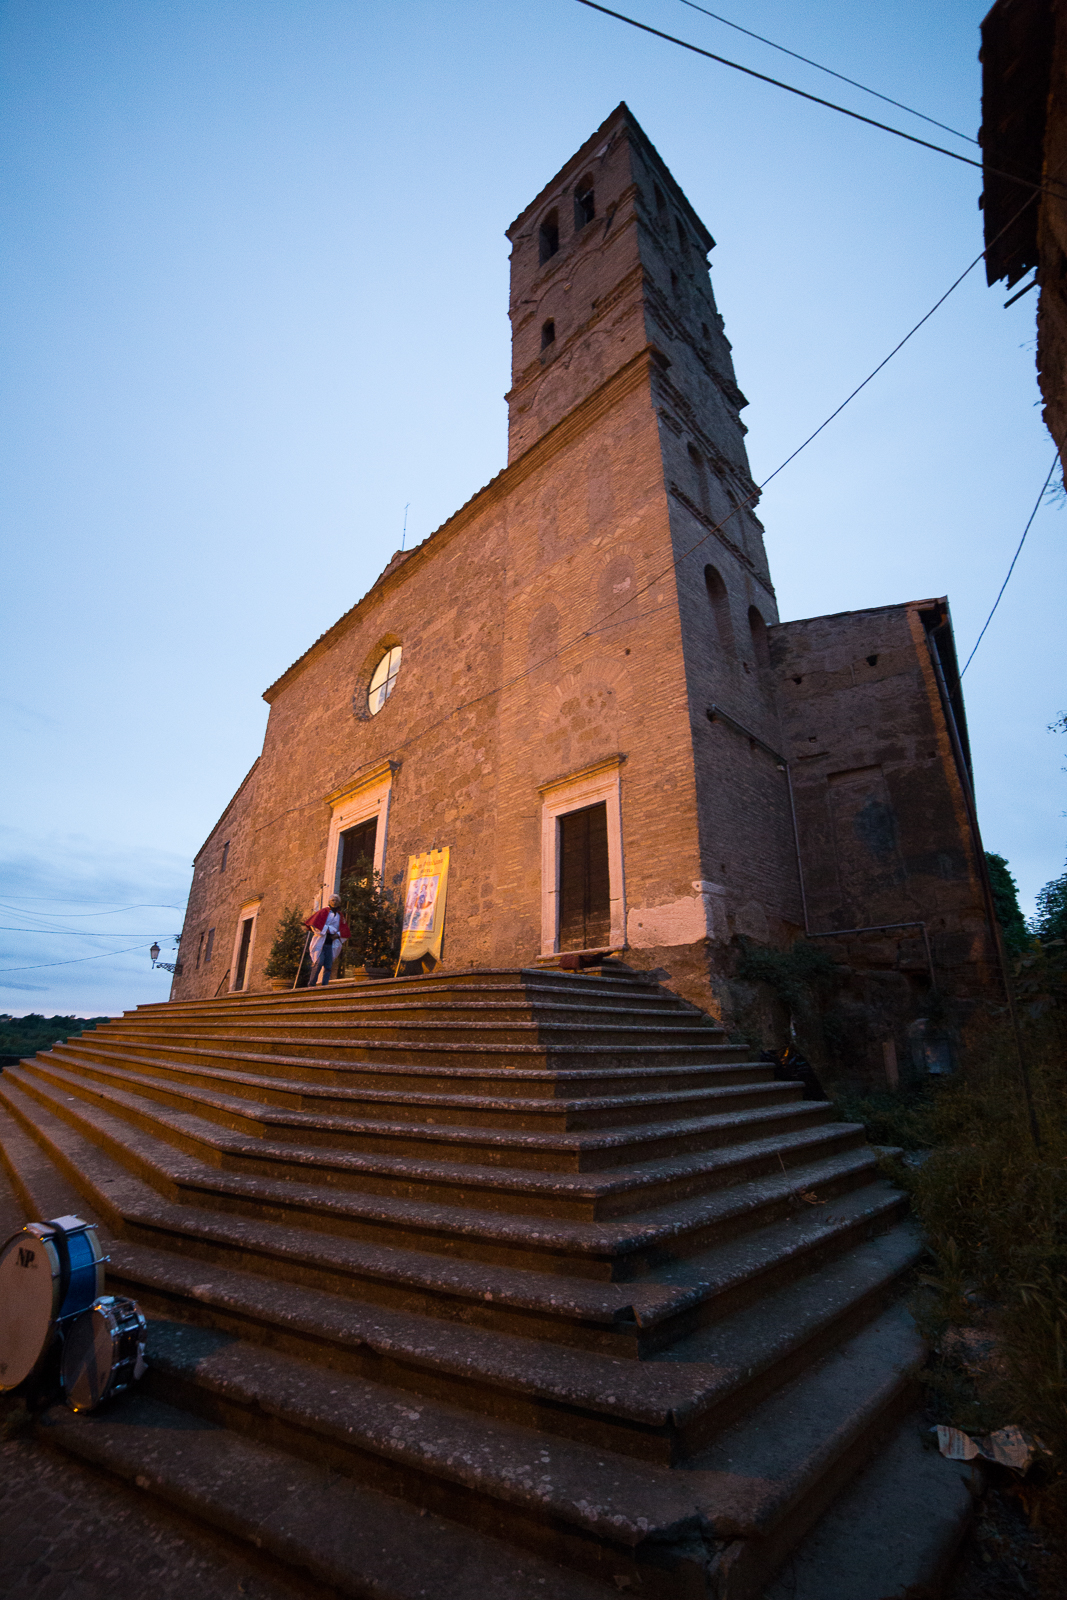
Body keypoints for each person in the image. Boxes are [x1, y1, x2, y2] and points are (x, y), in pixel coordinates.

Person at [303, 896, 350, 987]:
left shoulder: (340, 915)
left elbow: (343, 929)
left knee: (328, 966)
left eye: (337, 900)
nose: (335, 902)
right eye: (333, 900)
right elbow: (314, 924)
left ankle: (325, 985)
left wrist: (337, 934)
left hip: (330, 944)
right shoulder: (323, 912)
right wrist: (328, 929)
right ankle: (311, 984)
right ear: (329, 901)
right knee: (318, 963)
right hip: (320, 942)